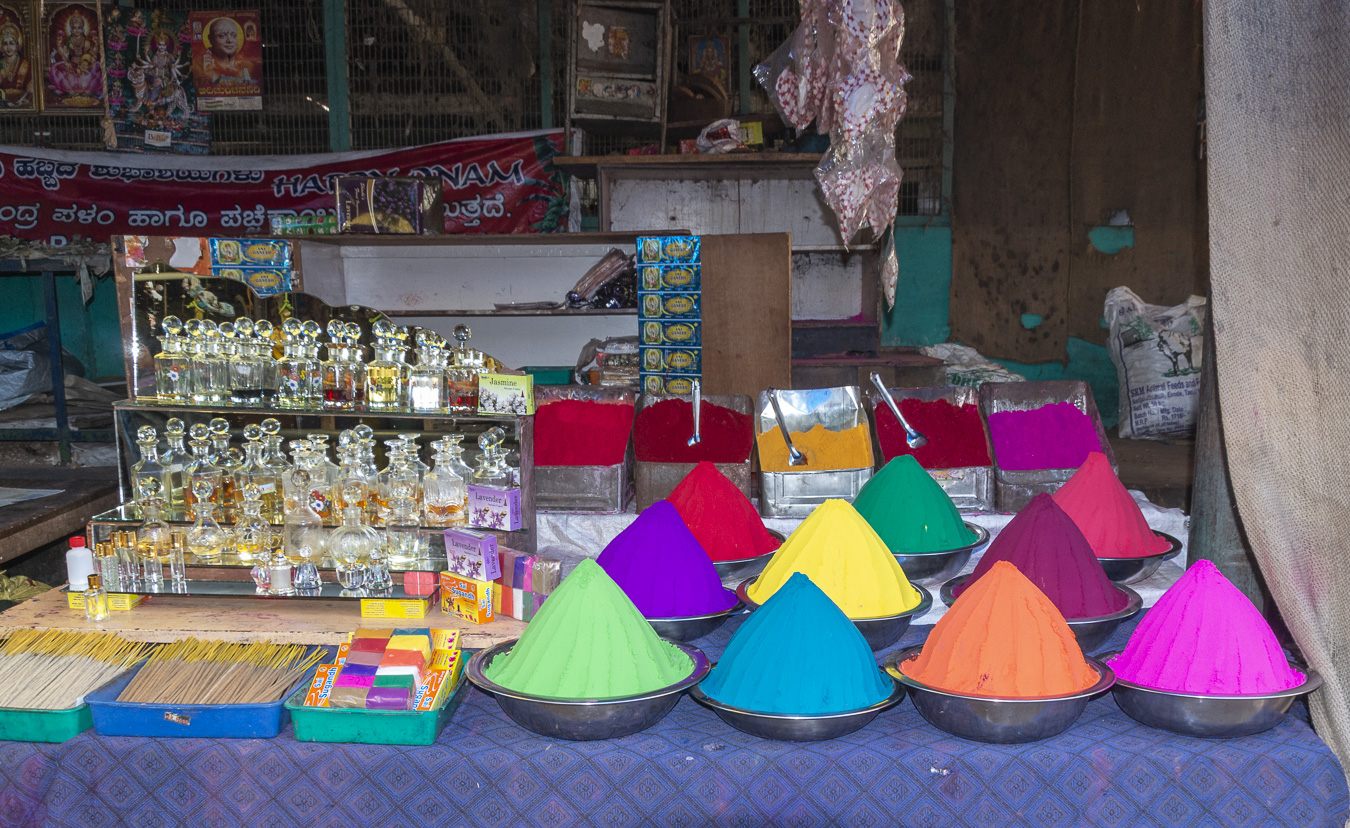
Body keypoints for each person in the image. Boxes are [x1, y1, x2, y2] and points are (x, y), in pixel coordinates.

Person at [45, 11, 101, 102]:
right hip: (72, 65)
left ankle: (84, 89)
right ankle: (73, 89)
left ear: (83, 29)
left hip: (85, 66)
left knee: (96, 70)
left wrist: (96, 43)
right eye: (74, 28)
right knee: (62, 72)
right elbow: (64, 54)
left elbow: (93, 54)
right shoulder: (69, 42)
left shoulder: (86, 42)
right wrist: (59, 45)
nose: (77, 30)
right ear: (71, 30)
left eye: (79, 28)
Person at [201, 16, 252, 85]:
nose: (230, 40)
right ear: (210, 39)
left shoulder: (243, 62)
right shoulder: (203, 61)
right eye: (222, 36)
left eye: (233, 35)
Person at [0, 22, 32, 108]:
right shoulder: (0, 64)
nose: (8, 47)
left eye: (11, 43)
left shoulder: (26, 65)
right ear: (1, 47)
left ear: (17, 45)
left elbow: (30, 92)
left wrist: (23, 101)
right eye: (5, 44)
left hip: (23, 105)